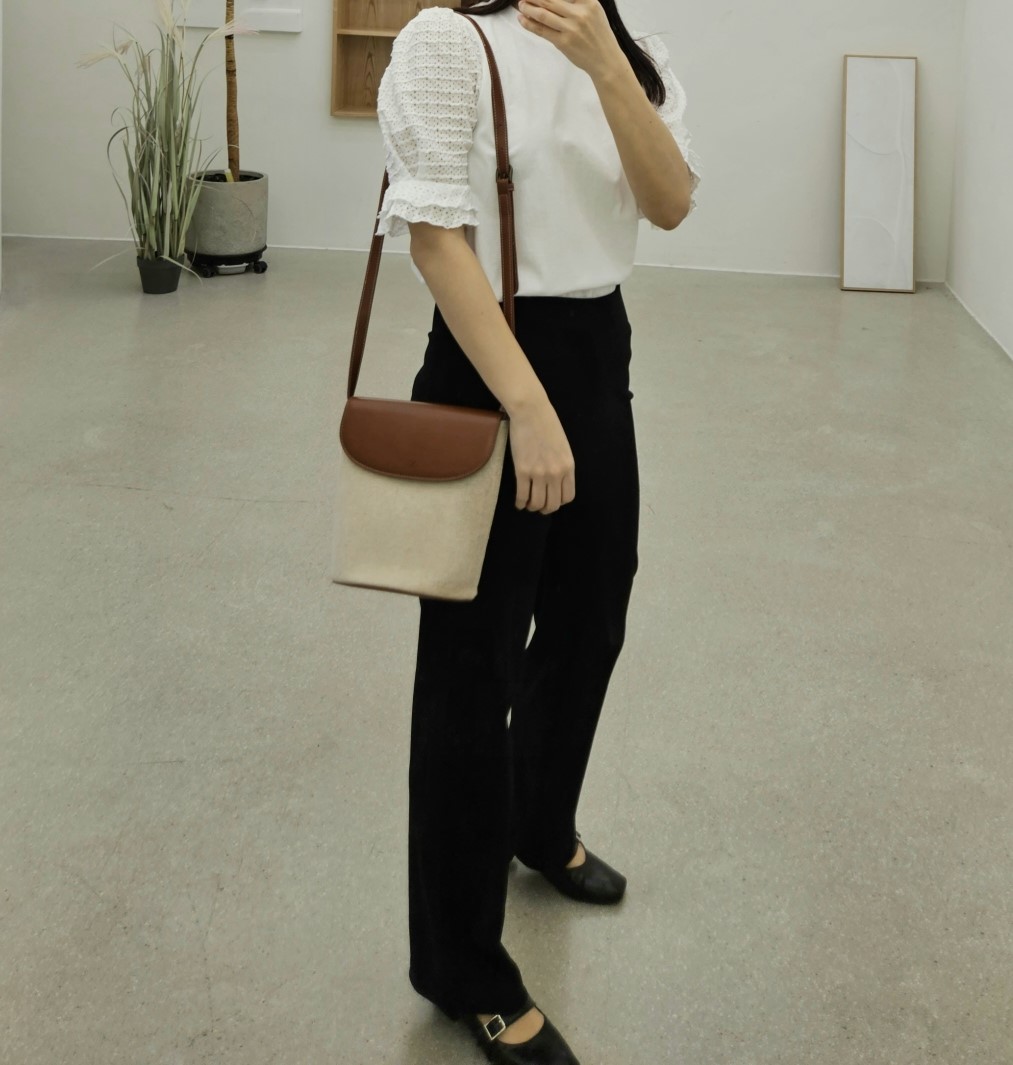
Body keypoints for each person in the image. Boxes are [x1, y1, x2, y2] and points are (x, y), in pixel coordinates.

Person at [374, 1, 700, 1061]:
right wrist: (527, 407)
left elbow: (670, 202)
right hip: (488, 366)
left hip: (597, 348)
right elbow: (436, 241)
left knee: (588, 619)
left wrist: (606, 60)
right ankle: (462, 965)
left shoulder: (628, 44)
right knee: (468, 673)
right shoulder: (445, 40)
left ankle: (539, 822)